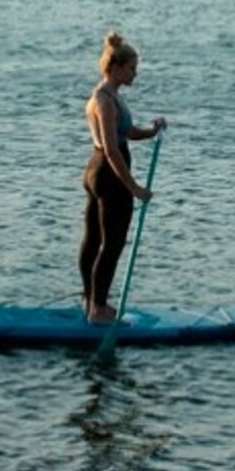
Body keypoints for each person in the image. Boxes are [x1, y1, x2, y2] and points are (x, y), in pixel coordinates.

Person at [79, 32, 166, 324]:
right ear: (116, 68)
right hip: (108, 176)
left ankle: (91, 302)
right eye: (131, 68)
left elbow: (126, 132)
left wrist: (151, 132)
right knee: (111, 244)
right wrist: (134, 187)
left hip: (98, 172)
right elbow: (112, 149)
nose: (135, 74)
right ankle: (97, 308)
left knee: (95, 240)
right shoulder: (104, 101)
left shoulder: (111, 96)